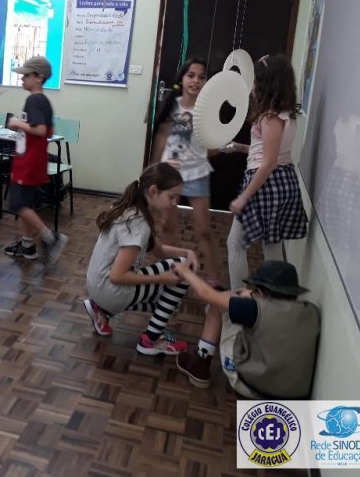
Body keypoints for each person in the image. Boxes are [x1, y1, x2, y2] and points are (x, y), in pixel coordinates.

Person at [82, 163, 199, 355]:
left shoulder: (130, 208)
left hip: (97, 287)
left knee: (166, 298)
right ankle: (151, 340)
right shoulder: (139, 223)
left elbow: (158, 250)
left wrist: (187, 253)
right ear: (153, 191)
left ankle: (102, 311)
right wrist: (162, 278)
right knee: (181, 271)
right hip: (109, 289)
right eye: (172, 196)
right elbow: (117, 276)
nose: (175, 203)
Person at [173, 260, 320, 398]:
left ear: (262, 293)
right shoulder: (311, 311)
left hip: (254, 389)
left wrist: (186, 271)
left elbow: (208, 294)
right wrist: (251, 295)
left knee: (218, 306)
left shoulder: (253, 309)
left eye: (255, 290)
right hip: (294, 395)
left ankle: (200, 361)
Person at [224, 54, 308, 290]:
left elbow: (268, 162)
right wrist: (240, 147)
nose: (252, 85)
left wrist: (243, 197)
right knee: (271, 244)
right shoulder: (284, 115)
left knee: (235, 244)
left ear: (267, 84)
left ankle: (239, 298)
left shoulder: (270, 118)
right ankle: (278, 299)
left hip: (266, 182)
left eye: (256, 80)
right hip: (280, 179)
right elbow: (270, 152)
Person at [151, 57, 221, 280]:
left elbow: (212, 149)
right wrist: (154, 171)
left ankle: (214, 279)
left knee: (204, 230)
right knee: (166, 225)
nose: (195, 81)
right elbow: (161, 139)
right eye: (191, 75)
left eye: (201, 77)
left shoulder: (208, 110)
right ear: (182, 78)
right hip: (170, 175)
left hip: (197, 174)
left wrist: (220, 145)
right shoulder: (172, 105)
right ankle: (173, 270)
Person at [2, 56, 68, 266]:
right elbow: (48, 131)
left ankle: (51, 238)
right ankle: (27, 245)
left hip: (28, 162)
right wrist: (23, 127)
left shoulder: (34, 100)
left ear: (38, 77)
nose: (22, 79)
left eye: (26, 75)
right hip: (34, 160)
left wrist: (17, 123)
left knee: (18, 203)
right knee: (27, 204)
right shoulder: (43, 101)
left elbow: (40, 130)